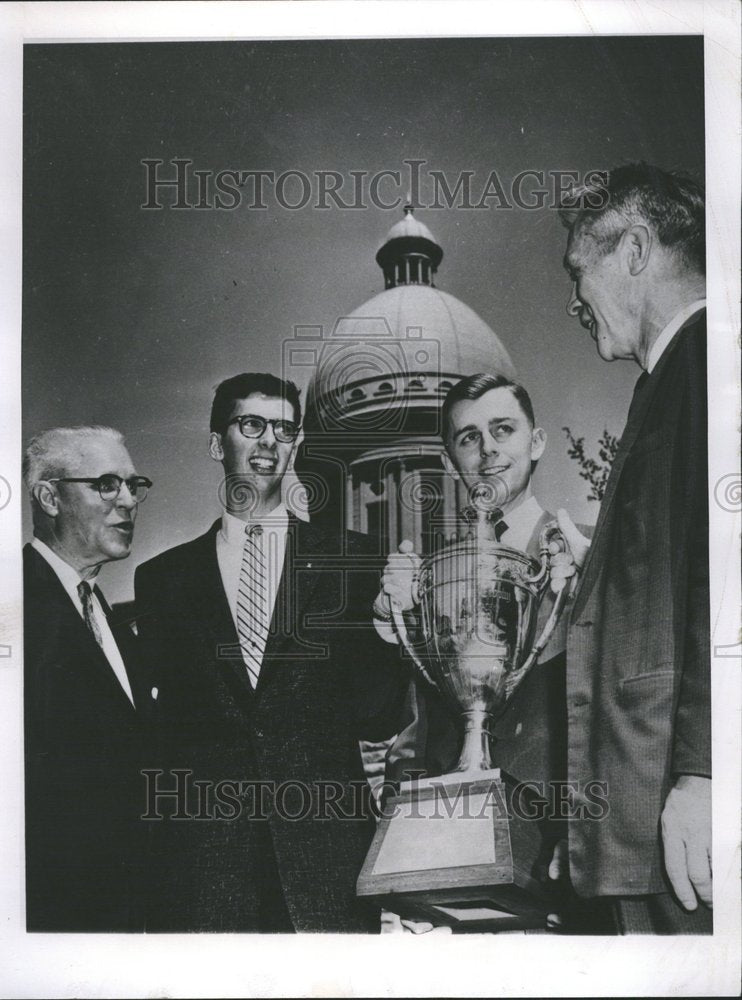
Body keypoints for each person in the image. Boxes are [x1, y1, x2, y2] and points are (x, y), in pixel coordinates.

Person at [134, 372, 408, 933]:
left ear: (297, 444)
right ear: (217, 444)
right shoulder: (164, 579)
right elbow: (162, 733)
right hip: (207, 870)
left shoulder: (352, 562)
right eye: (251, 425)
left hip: (327, 866)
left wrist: (385, 627)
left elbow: (378, 715)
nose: (268, 442)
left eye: (284, 428)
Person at [553, 162, 711, 933]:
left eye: (579, 269)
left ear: (636, 250)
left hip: (680, 815)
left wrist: (705, 772)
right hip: (645, 814)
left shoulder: (713, 364)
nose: (573, 299)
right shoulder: (671, 379)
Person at [375, 373, 584, 931]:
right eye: (468, 438)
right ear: (450, 461)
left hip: (559, 850)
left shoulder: (587, 552)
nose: (487, 449)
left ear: (535, 443)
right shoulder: (432, 576)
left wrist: (582, 832)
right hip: (456, 850)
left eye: (502, 429)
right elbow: (413, 734)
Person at [23, 425, 155, 931]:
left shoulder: (103, 611)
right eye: (105, 484)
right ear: (49, 497)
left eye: (133, 484)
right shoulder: (7, 606)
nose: (128, 501)